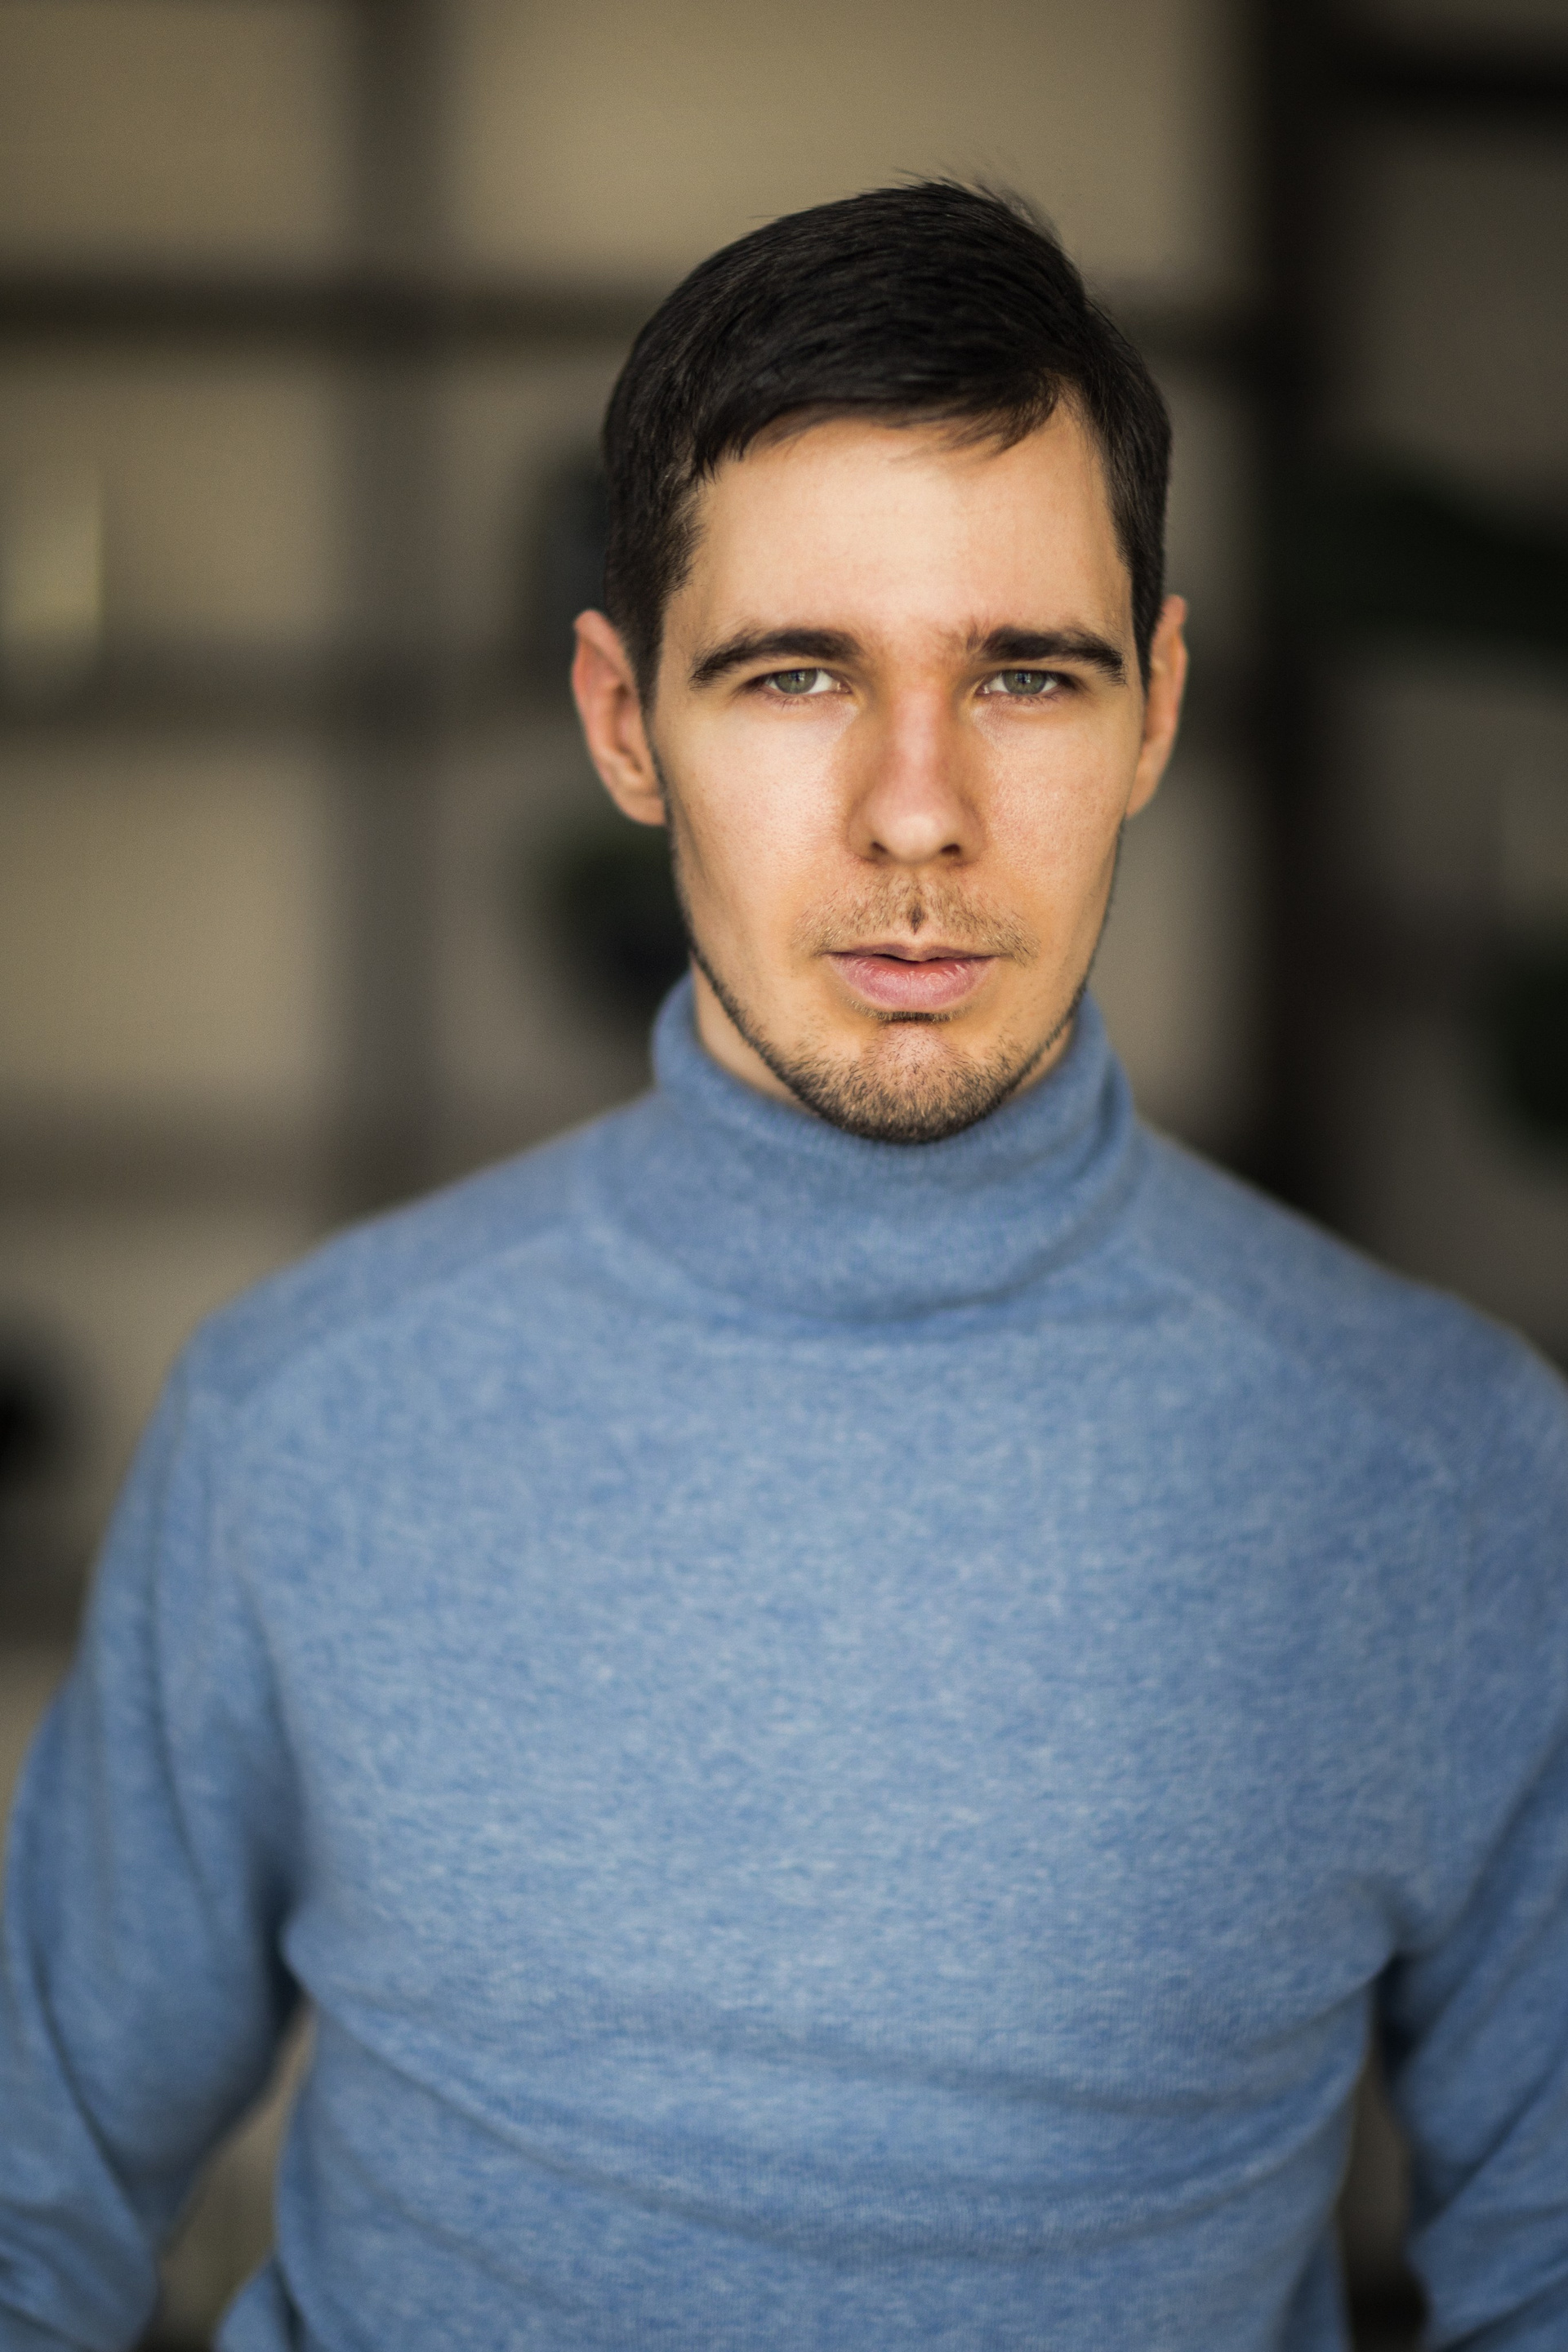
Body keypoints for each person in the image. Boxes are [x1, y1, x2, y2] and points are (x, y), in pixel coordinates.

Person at [2, 181, 1566, 2352]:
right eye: (797, 672)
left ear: (1155, 712)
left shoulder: (1452, 1473)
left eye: (1026, 674)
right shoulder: (302, 1417)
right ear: (622, 722)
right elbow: (32, 2181)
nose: (917, 810)